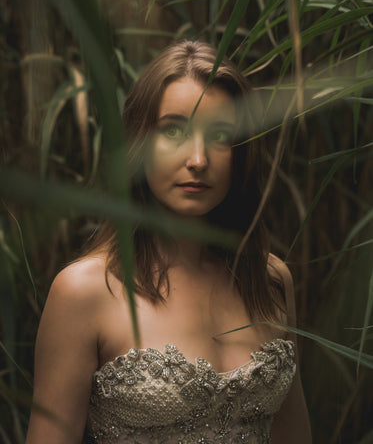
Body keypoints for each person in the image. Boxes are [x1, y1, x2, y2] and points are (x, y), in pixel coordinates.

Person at [26, 40, 312, 444]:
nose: (198, 158)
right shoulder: (84, 291)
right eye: (174, 130)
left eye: (220, 134)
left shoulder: (269, 279)